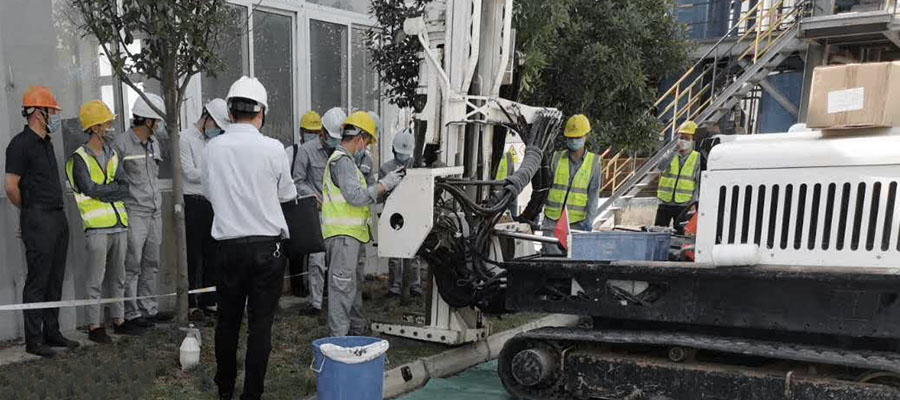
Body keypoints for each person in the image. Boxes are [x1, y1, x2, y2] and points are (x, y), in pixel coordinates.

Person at [204, 76, 297, 400]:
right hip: (266, 249)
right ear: (261, 113)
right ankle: (251, 395)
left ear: (230, 111)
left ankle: (225, 392)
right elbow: (287, 193)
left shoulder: (212, 148)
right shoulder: (273, 149)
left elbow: (208, 193)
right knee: (260, 327)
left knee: (227, 324)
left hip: (228, 247)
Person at [4, 86, 79, 358]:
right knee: (38, 280)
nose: (54, 115)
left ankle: (52, 331)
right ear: (37, 112)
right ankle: (34, 341)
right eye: (51, 111)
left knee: (54, 279)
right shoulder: (20, 145)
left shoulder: (46, 142)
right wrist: (29, 212)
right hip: (38, 218)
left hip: (57, 217)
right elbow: (11, 186)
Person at [66, 100, 142, 343]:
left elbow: (124, 187)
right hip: (97, 229)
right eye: (107, 123)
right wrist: (108, 190)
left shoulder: (112, 154)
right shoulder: (79, 159)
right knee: (96, 280)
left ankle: (119, 320)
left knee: (118, 277)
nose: (111, 127)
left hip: (119, 225)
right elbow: (89, 189)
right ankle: (94, 326)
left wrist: (104, 190)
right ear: (95, 127)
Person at [323, 111, 405, 337]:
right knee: (342, 290)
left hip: (351, 237)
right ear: (359, 138)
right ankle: (338, 344)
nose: (366, 147)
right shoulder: (342, 162)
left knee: (351, 287)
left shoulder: (347, 162)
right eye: (367, 141)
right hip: (342, 237)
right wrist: (385, 185)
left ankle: (356, 332)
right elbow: (356, 197)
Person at [112, 93, 173, 329]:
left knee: (152, 262)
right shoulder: (121, 144)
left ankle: (149, 309)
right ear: (147, 121)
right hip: (134, 212)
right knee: (132, 264)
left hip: (154, 211)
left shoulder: (154, 143)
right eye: (156, 121)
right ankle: (131, 312)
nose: (159, 125)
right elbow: (115, 181)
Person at [180, 98, 230, 322]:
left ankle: (210, 300)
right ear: (206, 118)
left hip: (213, 200)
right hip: (193, 201)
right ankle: (192, 304)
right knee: (194, 255)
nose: (217, 131)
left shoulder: (216, 142)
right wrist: (212, 171)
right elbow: (189, 172)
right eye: (216, 126)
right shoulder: (185, 137)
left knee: (213, 254)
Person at [290, 107, 343, 312]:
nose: (335, 141)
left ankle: (337, 300)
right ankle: (315, 303)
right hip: (318, 213)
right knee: (317, 259)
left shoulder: (343, 151)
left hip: (341, 213)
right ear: (323, 132)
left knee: (339, 259)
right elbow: (297, 181)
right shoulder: (306, 151)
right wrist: (312, 195)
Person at [541, 114, 602, 255]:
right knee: (550, 260)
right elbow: (545, 187)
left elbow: (594, 194)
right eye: (570, 137)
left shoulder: (594, 163)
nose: (574, 140)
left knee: (573, 260)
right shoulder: (556, 158)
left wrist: (589, 221)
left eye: (577, 137)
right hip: (552, 220)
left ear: (586, 136)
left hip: (577, 223)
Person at [381, 129, 420, 297]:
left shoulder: (417, 165)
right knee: (395, 253)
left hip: (413, 212)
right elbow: (382, 191)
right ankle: (394, 287)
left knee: (414, 252)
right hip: (393, 214)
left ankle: (415, 286)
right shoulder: (386, 168)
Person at [655, 120, 701, 235]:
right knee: (658, 234)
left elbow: (698, 182)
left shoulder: (697, 158)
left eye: (687, 138)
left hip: (684, 205)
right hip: (665, 202)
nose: (683, 141)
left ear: (693, 140)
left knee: (681, 235)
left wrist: (693, 204)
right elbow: (660, 167)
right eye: (681, 137)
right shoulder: (671, 154)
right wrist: (674, 151)